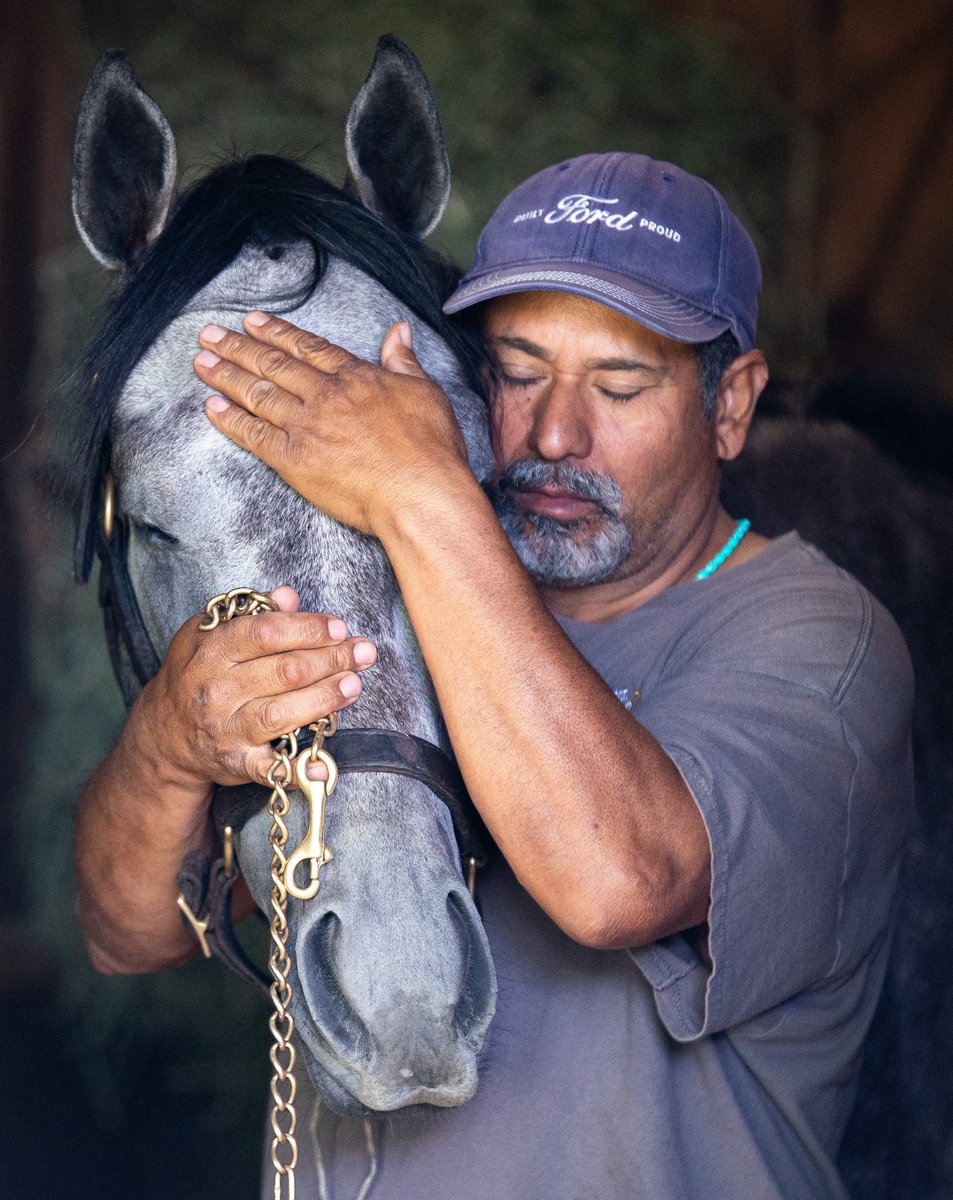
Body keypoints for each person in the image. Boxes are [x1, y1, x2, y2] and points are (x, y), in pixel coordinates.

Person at [74, 153, 913, 1199]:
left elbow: (619, 882)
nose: (556, 434)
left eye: (620, 383)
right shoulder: (394, 591)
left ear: (732, 406)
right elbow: (130, 935)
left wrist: (421, 495)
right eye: (516, 372)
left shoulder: (822, 643)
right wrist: (166, 745)